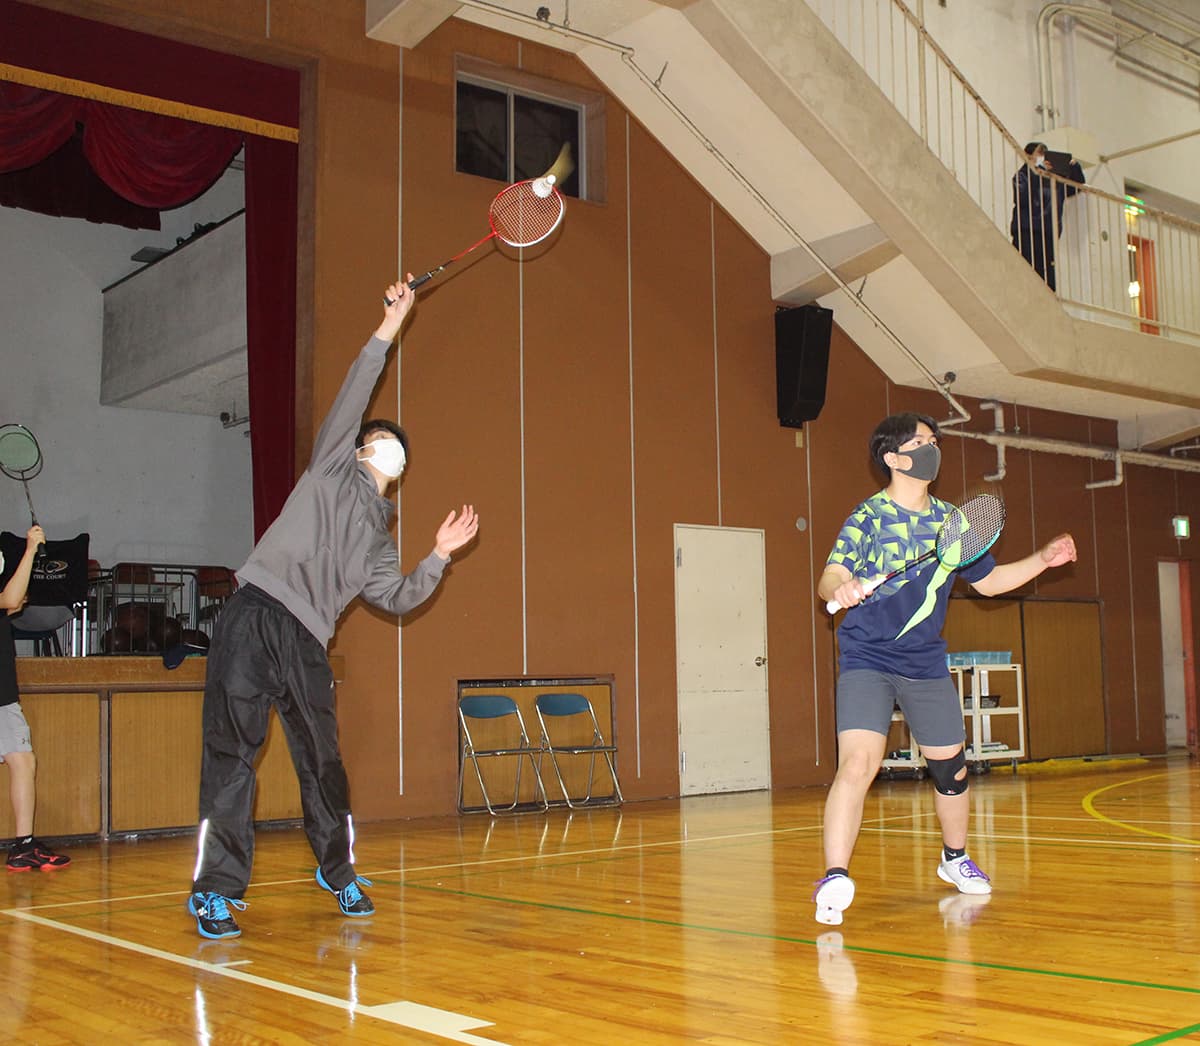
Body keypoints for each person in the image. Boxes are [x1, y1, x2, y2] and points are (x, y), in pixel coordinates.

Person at [187, 278, 480, 940]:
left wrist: (435, 556)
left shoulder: (380, 541)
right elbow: (357, 388)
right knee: (233, 754)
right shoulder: (328, 468)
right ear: (359, 450)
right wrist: (391, 327)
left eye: (395, 445)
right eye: (378, 437)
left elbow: (396, 597)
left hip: (308, 641)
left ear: (399, 470)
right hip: (253, 612)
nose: (387, 444)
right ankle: (215, 891)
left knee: (323, 762)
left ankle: (338, 871)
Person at [813, 412, 1076, 926]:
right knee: (857, 764)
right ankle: (836, 875)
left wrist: (1043, 559)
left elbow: (992, 582)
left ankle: (955, 859)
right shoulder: (867, 518)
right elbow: (831, 576)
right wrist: (839, 589)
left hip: (925, 661)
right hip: (867, 656)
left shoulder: (952, 522)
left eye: (935, 441)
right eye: (920, 442)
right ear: (893, 458)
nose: (932, 448)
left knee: (951, 771)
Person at [0, 524, 71, 872]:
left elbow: (10, 606)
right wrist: (30, 550)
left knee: (22, 761)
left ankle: (24, 846)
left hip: (3, 694)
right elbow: (9, 601)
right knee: (22, 761)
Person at [1010, 141, 1085, 292]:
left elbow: (1077, 187)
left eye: (1044, 154)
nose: (1041, 158)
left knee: (1047, 276)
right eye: (1038, 154)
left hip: (1048, 231)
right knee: (1024, 269)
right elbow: (1021, 197)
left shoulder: (1055, 179)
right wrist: (1036, 172)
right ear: (1028, 157)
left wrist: (1074, 167)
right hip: (1026, 229)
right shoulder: (1022, 175)